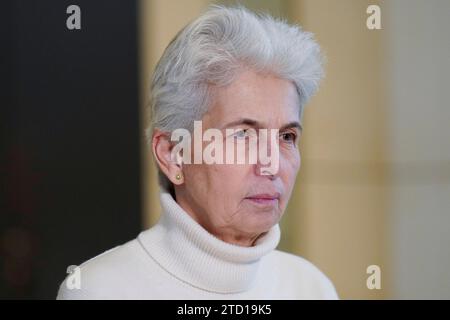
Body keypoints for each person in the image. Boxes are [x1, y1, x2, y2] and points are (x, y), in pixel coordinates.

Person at [57, 5, 338, 300]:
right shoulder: (99, 291)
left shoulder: (311, 288)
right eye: (243, 135)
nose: (271, 163)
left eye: (287, 136)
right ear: (172, 154)